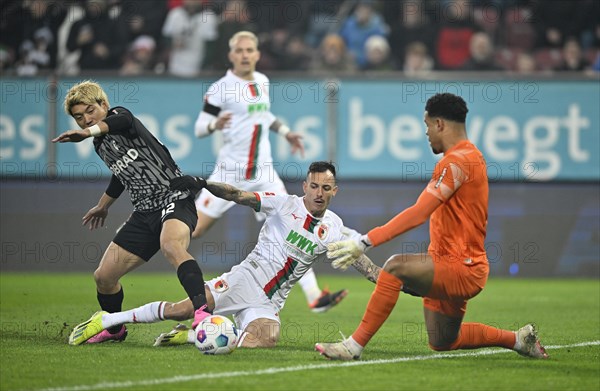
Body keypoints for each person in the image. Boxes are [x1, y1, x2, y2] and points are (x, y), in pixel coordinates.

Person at [315, 93, 549, 360]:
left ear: (439, 124)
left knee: (395, 266)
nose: (426, 133)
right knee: (443, 340)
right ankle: (518, 340)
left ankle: (353, 347)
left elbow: (419, 213)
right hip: (451, 265)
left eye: (426, 125)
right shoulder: (470, 157)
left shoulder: (457, 162)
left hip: (462, 267)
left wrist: (364, 241)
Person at [67, 162, 380, 348]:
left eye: (326, 188)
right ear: (305, 185)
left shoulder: (335, 228)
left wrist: (391, 281)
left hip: (270, 302)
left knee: (265, 340)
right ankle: (108, 319)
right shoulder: (284, 204)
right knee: (180, 309)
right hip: (243, 281)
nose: (319, 193)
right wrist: (203, 184)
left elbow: (361, 262)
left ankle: (193, 337)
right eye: (314, 186)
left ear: (335, 191)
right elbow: (239, 195)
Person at [192, 30, 348, 313]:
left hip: (263, 171)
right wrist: (215, 125)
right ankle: (149, 229)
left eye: (249, 50)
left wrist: (286, 132)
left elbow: (263, 115)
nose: (244, 55)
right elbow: (199, 127)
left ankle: (314, 297)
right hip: (229, 171)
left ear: (257, 54)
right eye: (239, 50)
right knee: (195, 229)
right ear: (231, 55)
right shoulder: (220, 88)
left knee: (295, 222)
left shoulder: (263, 82)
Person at [52, 80, 212, 345]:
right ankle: (115, 328)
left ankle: (203, 313)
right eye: (79, 117)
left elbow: (118, 123)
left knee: (171, 245)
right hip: (144, 212)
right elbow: (121, 174)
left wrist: (87, 131)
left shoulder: (121, 116)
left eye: (90, 111)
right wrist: (103, 205)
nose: (85, 120)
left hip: (174, 197)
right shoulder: (100, 144)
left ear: (104, 105)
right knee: (104, 277)